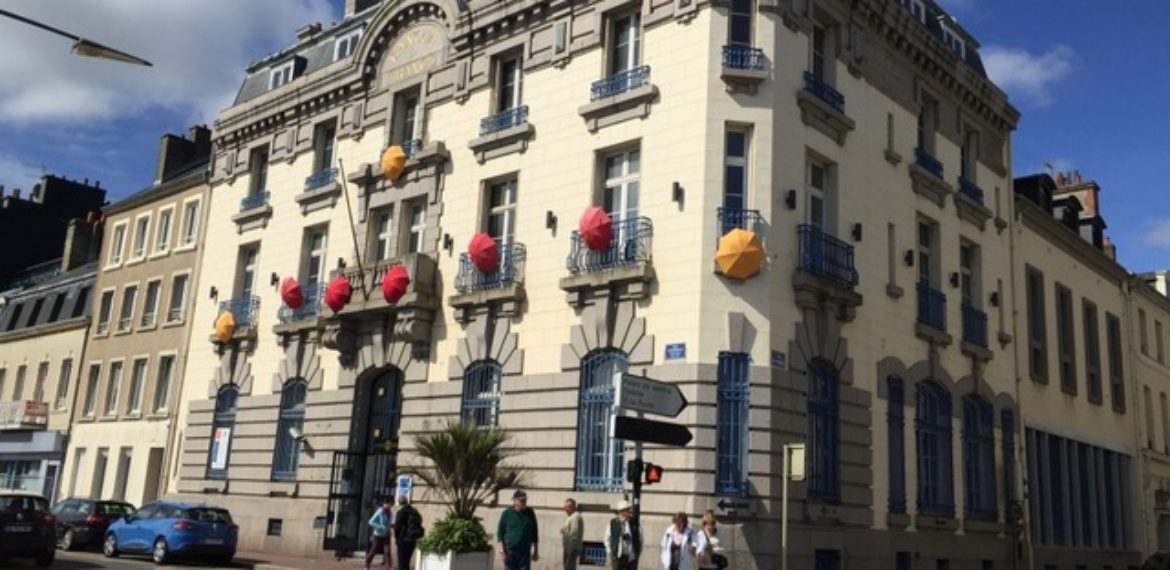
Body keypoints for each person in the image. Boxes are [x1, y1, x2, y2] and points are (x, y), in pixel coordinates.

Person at [497, 490, 540, 570]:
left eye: (525, 500)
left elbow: (535, 532)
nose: (523, 502)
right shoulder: (507, 513)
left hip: (525, 551)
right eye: (521, 500)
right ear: (514, 501)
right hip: (510, 550)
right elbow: (500, 533)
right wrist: (502, 552)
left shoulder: (530, 513)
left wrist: (536, 551)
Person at [605, 501, 642, 570]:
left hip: (631, 556)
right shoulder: (613, 523)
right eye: (627, 510)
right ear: (621, 512)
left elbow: (641, 539)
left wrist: (637, 553)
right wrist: (610, 552)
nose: (629, 512)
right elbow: (607, 539)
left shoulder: (634, 523)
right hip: (617, 556)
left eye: (629, 509)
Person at [394, 495, 424, 570]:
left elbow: (397, 527)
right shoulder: (415, 511)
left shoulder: (401, 512)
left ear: (399, 503)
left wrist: (397, 538)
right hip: (413, 538)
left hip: (403, 539)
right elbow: (420, 521)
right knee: (407, 561)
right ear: (407, 501)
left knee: (402, 562)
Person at [364, 497, 394, 570]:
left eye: (391, 504)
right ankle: (366, 565)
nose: (391, 505)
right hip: (378, 535)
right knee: (373, 550)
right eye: (390, 504)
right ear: (385, 503)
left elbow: (388, 523)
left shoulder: (390, 512)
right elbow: (371, 522)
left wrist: (391, 527)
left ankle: (388, 567)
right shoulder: (380, 511)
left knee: (387, 552)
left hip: (386, 535)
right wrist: (379, 527)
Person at [560, 498, 585, 570]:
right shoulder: (571, 517)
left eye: (568, 507)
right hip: (570, 547)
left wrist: (569, 550)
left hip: (572, 548)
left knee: (569, 567)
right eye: (565, 507)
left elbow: (574, 534)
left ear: (573, 507)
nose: (565, 509)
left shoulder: (575, 516)